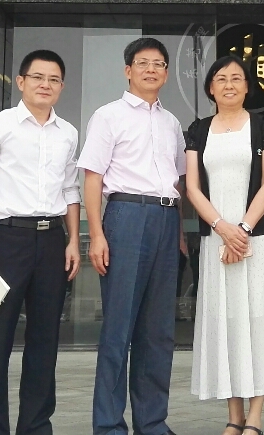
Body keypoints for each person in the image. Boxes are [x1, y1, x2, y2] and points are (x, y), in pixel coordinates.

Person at [0, 50, 82, 435]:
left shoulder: (68, 133)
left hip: (51, 243)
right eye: (37, 77)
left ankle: (36, 426)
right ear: (20, 81)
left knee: (45, 340)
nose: (45, 85)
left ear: (61, 86)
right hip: (5, 241)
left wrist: (72, 241)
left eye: (53, 79)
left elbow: (70, 189)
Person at [79, 37, 186, 435]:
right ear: (128, 70)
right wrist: (97, 234)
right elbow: (92, 178)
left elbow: (178, 181)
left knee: (158, 332)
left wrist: (179, 232)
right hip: (125, 216)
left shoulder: (172, 123)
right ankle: (109, 424)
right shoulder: (108, 116)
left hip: (166, 219)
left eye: (159, 64)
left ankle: (152, 421)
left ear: (166, 73)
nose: (151, 69)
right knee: (118, 328)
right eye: (143, 63)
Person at [185, 55, 264, 435]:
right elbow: (192, 187)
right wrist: (222, 228)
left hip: (256, 242)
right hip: (217, 241)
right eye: (221, 78)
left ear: (248, 86)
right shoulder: (198, 130)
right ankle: (234, 416)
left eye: (236, 78)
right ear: (210, 88)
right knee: (226, 323)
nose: (229, 84)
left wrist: (242, 230)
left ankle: (255, 418)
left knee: (259, 322)